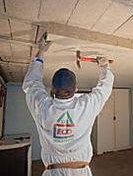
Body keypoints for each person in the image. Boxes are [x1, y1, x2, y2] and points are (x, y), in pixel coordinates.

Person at [22, 41, 114, 176]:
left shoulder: (42, 107)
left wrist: (40, 52)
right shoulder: (86, 105)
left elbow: (32, 84)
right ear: (75, 89)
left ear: (53, 89)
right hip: (81, 172)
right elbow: (104, 89)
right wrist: (105, 66)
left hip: (53, 172)